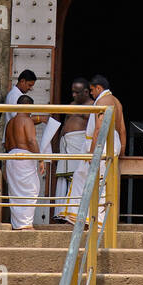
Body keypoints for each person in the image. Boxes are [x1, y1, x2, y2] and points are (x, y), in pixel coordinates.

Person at [66, 74, 126, 225]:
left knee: (92, 179)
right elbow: (122, 129)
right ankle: (87, 218)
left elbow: (99, 129)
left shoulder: (102, 101)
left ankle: (92, 220)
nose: (91, 93)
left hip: (102, 145)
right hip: (113, 143)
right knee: (96, 179)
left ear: (99, 88)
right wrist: (122, 150)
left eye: (92, 90)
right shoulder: (117, 101)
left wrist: (92, 152)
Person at [54, 78, 93, 222]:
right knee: (63, 177)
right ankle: (61, 213)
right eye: (73, 92)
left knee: (76, 177)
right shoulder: (71, 105)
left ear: (86, 92)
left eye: (77, 92)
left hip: (79, 143)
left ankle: (72, 213)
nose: (74, 95)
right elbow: (64, 124)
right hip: (66, 143)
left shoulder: (93, 106)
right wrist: (57, 143)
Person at [3, 94, 43, 231]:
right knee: (31, 190)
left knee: (15, 191)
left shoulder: (10, 123)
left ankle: (18, 224)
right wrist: (41, 159)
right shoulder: (27, 120)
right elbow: (31, 141)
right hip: (24, 157)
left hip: (11, 156)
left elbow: (6, 144)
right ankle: (25, 224)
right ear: (27, 106)